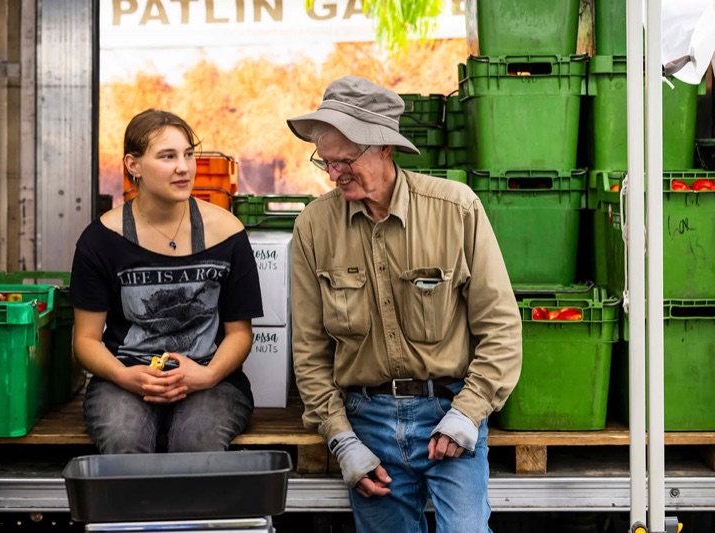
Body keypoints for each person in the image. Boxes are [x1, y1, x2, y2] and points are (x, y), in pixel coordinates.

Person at [286, 76, 523, 532]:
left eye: (345, 161)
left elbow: (500, 329)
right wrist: (340, 439)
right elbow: (310, 351)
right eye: (326, 162)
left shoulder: (455, 209)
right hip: (365, 421)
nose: (334, 175)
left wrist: (468, 413)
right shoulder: (314, 226)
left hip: (448, 409)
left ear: (383, 148)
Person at [69, 108, 263, 454]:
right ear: (133, 165)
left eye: (188, 154)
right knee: (123, 438)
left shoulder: (227, 233)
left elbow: (240, 333)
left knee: (196, 442)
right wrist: (123, 375)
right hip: (125, 378)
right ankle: (133, 510)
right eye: (167, 156)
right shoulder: (100, 240)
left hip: (210, 379)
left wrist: (208, 375)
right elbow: (84, 340)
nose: (184, 167)